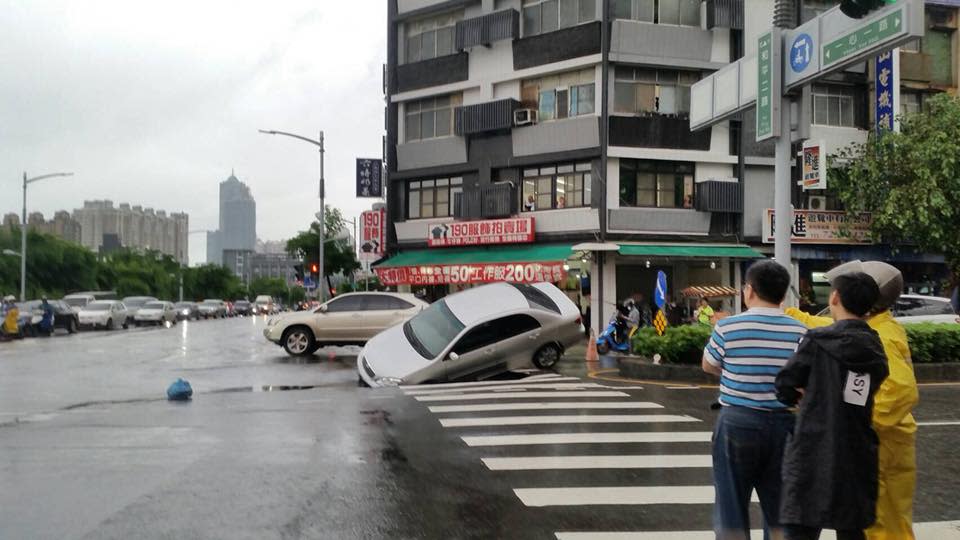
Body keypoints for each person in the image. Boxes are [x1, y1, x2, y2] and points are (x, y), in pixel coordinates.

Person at [784, 261, 918, 540]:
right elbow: (831, 324)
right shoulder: (875, 329)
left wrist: (856, 422)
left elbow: (901, 392)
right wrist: (792, 314)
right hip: (886, 444)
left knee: (883, 526)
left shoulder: (882, 337)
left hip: (883, 445)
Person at [701, 260, 808, 540]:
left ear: (749, 291)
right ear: (783, 295)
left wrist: (735, 369)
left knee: (731, 506)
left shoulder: (728, 328)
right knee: (781, 508)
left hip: (737, 422)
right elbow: (804, 379)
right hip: (785, 425)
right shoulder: (799, 332)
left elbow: (708, 365)